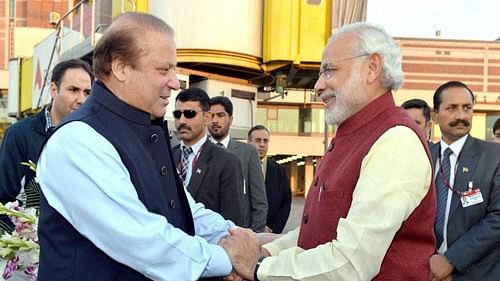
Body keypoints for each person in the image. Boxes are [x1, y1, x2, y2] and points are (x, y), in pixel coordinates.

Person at [36, 12, 260, 280]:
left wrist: (242, 238)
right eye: (164, 70)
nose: (176, 82)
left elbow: (185, 211)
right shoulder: (78, 140)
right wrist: (229, 257)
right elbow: (141, 239)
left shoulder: (144, 131)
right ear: (120, 68)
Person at [221, 22, 437, 281]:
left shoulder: (395, 141)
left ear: (372, 68)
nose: (318, 86)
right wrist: (265, 248)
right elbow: (319, 232)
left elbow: (350, 263)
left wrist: (258, 268)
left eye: (329, 71)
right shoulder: (352, 134)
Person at [0, 58, 92, 220]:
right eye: (73, 90)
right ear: (54, 90)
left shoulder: (93, 137)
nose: (81, 100)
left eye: (87, 92)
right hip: (30, 240)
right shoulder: (20, 134)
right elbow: (4, 198)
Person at [429, 81, 500, 280]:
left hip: (478, 273)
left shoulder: (494, 156)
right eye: (451, 108)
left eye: (467, 108)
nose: (461, 115)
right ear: (435, 116)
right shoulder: (424, 156)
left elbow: (497, 218)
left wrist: (451, 260)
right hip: (427, 271)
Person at [172, 87, 245, 226]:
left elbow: (233, 220)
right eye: (177, 114)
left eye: (189, 114)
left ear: (207, 117)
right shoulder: (166, 157)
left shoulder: (227, 162)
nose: (182, 121)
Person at [208, 96, 268, 232]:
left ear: (231, 119)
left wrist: (253, 236)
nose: (215, 120)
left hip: (238, 234)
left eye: (220, 115)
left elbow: (259, 201)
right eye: (211, 115)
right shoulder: (199, 151)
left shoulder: (248, 153)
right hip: (205, 236)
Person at [247, 125, 291, 234]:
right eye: (257, 140)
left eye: (265, 141)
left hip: (270, 233)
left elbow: (285, 203)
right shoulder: (237, 166)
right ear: (248, 142)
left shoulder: (280, 171)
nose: (262, 145)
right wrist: (256, 226)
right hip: (244, 231)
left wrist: (273, 229)